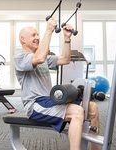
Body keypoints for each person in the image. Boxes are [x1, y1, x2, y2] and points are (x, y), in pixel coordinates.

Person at [14, 17, 100, 150]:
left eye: (38, 34)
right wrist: (48, 30)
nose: (37, 37)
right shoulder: (20, 58)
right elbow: (39, 57)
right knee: (77, 112)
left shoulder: (43, 58)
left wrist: (67, 38)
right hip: (35, 104)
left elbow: (65, 59)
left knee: (92, 108)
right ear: (22, 39)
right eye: (33, 35)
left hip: (49, 100)